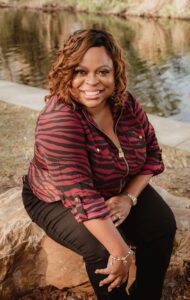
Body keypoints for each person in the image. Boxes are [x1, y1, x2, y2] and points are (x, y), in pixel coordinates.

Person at [22, 29, 176, 300]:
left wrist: (129, 197)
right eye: (80, 71)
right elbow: (81, 195)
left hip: (115, 186)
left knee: (162, 225)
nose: (92, 82)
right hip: (57, 199)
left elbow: (153, 154)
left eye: (102, 71)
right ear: (65, 73)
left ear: (115, 73)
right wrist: (121, 253)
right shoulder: (58, 120)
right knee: (104, 250)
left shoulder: (125, 104)